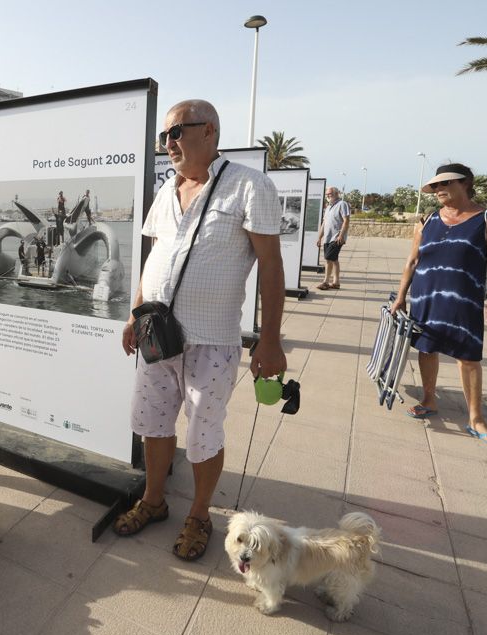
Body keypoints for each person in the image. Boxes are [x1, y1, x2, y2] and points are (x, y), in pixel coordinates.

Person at [113, 100, 287, 560]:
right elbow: (153, 258)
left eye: (176, 133)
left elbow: (270, 266)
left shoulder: (248, 186)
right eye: (164, 137)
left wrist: (269, 339)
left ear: (209, 131)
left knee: (203, 431)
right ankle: (153, 501)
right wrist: (135, 312)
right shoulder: (166, 190)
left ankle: (200, 515)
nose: (168, 143)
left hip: (212, 340)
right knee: (153, 424)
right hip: (157, 335)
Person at [391, 163, 487, 449]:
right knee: (427, 349)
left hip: (464, 301)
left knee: (468, 356)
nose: (438, 190)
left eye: (445, 184)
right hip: (426, 296)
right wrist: (400, 296)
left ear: (466, 183)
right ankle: (429, 399)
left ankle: (476, 418)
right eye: (435, 186)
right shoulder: (428, 220)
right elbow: (412, 261)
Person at [315, 186, 350, 290]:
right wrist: (319, 238)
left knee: (328, 259)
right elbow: (324, 224)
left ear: (336, 193)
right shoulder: (328, 207)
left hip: (336, 238)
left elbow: (346, 220)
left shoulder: (342, 204)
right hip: (327, 238)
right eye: (327, 194)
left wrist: (341, 235)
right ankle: (336, 282)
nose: (328, 196)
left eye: (330, 194)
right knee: (334, 259)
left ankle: (325, 282)